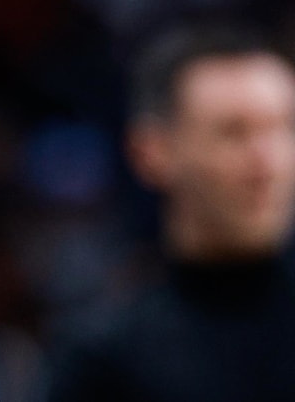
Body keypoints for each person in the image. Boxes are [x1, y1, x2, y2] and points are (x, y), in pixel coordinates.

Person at [42, 21, 295, 401]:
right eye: (233, 133)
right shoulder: (103, 356)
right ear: (151, 152)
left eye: (283, 128)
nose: (267, 164)